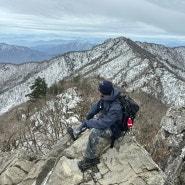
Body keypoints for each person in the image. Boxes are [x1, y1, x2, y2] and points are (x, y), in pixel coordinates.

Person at [67, 80, 123, 170]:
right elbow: (96, 107)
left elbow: (104, 124)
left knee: (94, 131)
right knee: (89, 121)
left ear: (104, 92)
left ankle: (91, 159)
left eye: (100, 90)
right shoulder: (105, 98)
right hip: (105, 121)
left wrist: (88, 123)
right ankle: (75, 133)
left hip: (112, 129)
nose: (98, 91)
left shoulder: (116, 107)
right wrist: (88, 118)